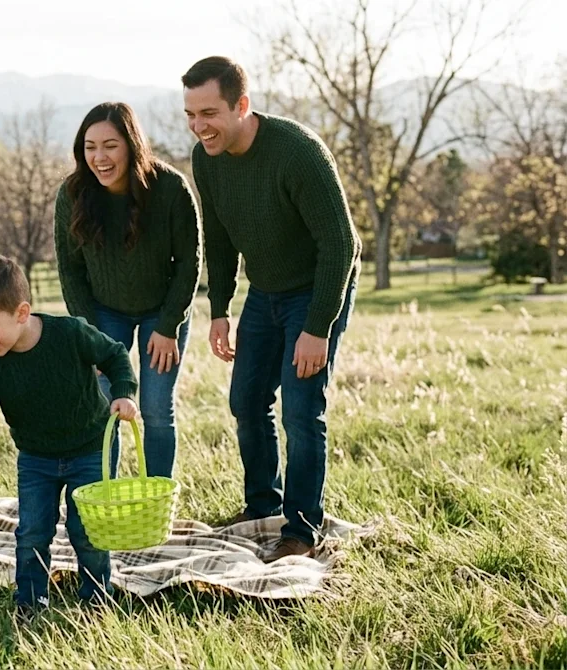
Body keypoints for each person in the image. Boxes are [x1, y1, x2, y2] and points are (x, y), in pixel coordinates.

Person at [182, 56, 361, 562]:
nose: (200, 127)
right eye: (191, 114)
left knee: (302, 411)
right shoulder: (205, 157)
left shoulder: (298, 153)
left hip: (318, 285)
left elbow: (340, 244)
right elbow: (217, 240)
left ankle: (302, 528)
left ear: (242, 105)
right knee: (246, 400)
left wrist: (317, 327)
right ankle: (263, 505)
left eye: (210, 113)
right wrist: (219, 309)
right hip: (264, 289)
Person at [0, 253, 138, 612]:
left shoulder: (70, 334)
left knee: (87, 531)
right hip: (36, 459)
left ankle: (97, 598)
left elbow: (115, 355)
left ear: (21, 313)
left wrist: (122, 392)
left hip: (91, 449)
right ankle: (30, 602)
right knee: (31, 533)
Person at [54, 101, 202, 479]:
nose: (99, 157)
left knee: (154, 408)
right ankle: (109, 497)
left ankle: (156, 498)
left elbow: (189, 261)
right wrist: (90, 334)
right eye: (90, 147)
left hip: (162, 310)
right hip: (103, 312)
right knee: (106, 407)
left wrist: (169, 325)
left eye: (110, 145)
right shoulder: (71, 195)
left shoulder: (170, 188)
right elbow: (71, 272)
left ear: (132, 145)